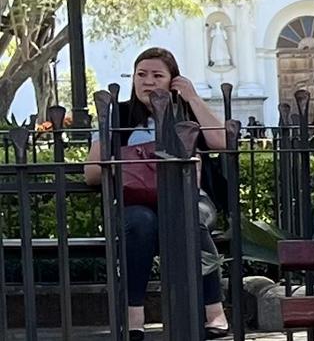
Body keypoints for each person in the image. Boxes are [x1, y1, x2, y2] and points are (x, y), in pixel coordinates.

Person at [83, 47, 230, 341]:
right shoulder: (117, 115)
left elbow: (221, 140)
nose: (148, 82)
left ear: (172, 81)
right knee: (141, 222)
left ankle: (214, 312)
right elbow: (91, 174)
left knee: (189, 218)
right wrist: (132, 161)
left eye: (157, 75)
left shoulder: (185, 114)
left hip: (186, 200)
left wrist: (191, 97)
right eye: (141, 74)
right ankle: (133, 314)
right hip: (135, 202)